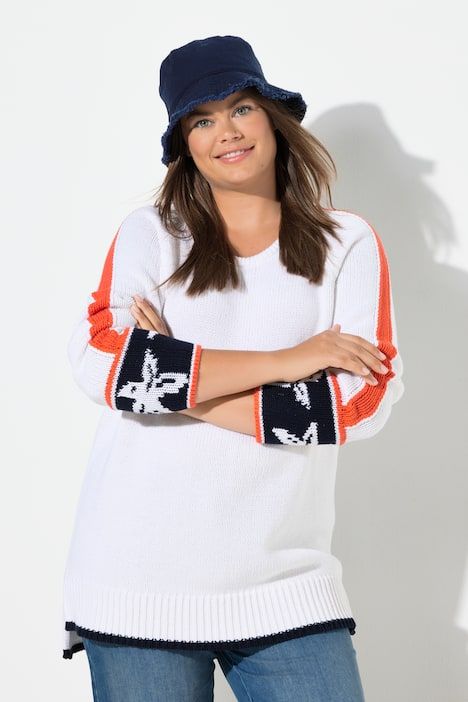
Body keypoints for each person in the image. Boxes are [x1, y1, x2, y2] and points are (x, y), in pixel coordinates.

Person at [62, 34, 404, 701]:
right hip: (135, 578)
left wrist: (174, 384)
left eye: (241, 108)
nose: (227, 132)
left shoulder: (346, 242)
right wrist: (293, 359)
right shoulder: (152, 233)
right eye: (202, 120)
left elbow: (356, 406)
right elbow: (102, 362)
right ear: (184, 145)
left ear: (273, 119)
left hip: (287, 583)